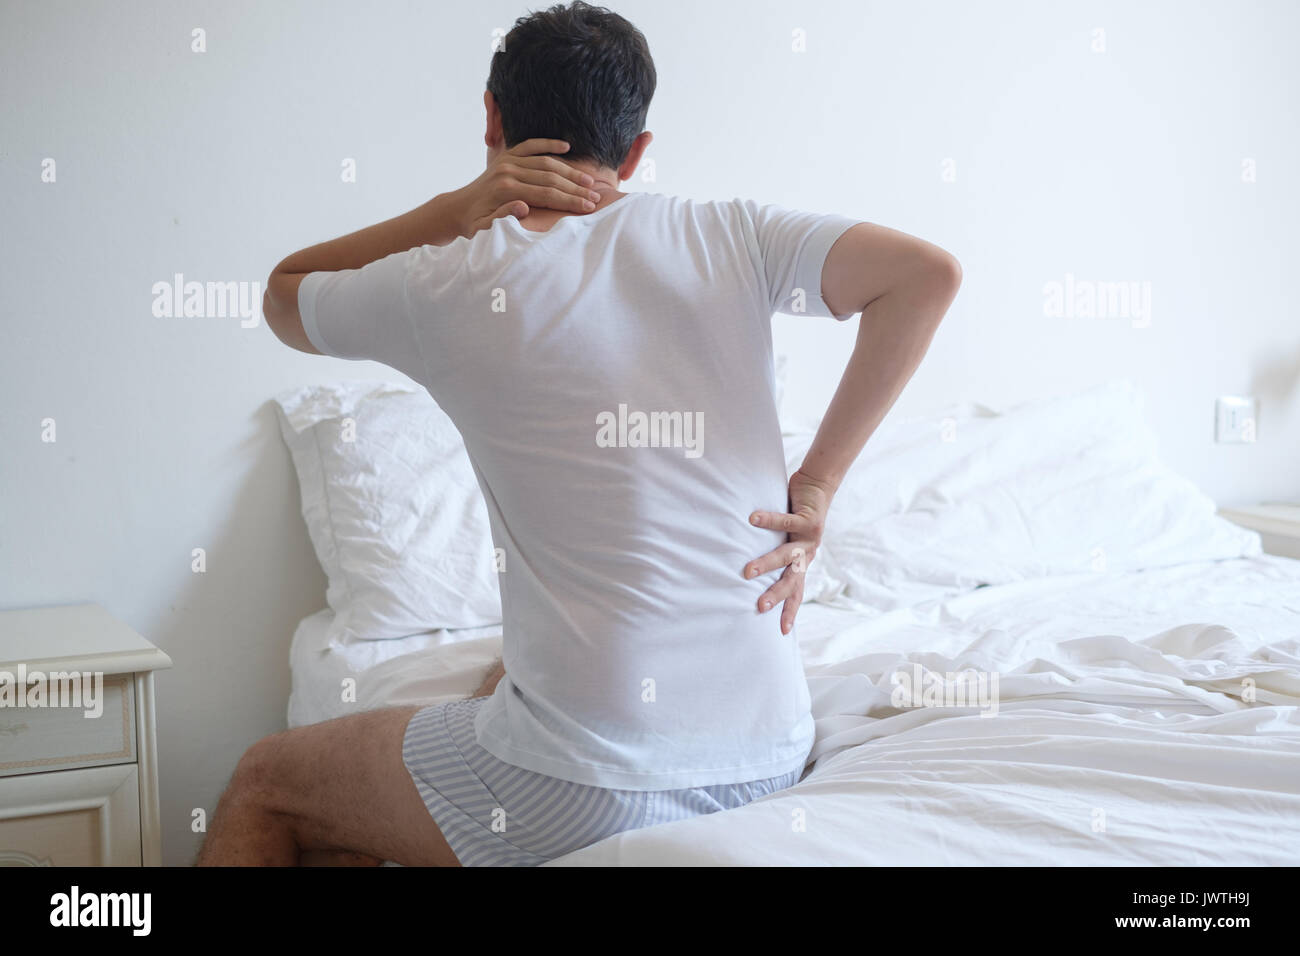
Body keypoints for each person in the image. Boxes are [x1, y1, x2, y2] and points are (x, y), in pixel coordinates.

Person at [198, 1, 960, 866]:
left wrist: (458, 208)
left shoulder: (447, 281)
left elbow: (285, 294)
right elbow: (926, 276)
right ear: (638, 149)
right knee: (492, 684)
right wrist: (816, 487)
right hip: (769, 758)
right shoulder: (731, 233)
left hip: (583, 787)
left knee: (269, 780)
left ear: (491, 117)